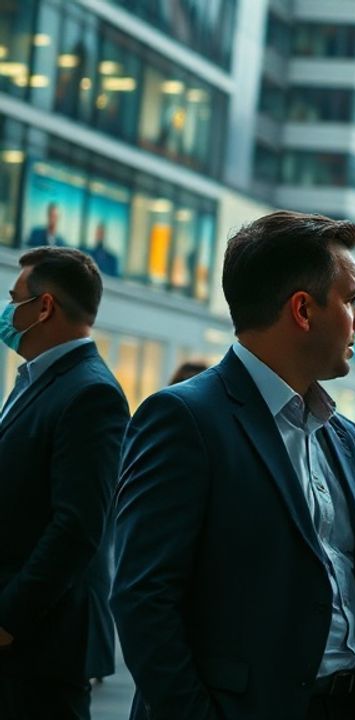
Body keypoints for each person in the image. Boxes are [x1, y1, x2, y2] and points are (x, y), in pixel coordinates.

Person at [111, 211, 355, 719]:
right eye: (350, 299)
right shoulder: (184, 419)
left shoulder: (348, 438)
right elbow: (144, 599)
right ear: (303, 309)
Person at [0, 248, 128, 719]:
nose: (7, 310)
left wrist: (8, 619)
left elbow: (77, 527)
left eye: (14, 298)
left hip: (41, 645)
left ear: (44, 307)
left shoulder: (91, 393)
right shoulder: (37, 380)